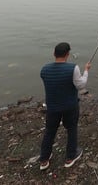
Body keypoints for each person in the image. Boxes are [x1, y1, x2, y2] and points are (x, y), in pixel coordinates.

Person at [38, 42, 91, 170]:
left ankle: (44, 160)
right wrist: (86, 71)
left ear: (54, 54)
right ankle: (70, 157)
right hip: (70, 106)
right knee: (72, 129)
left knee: (50, 131)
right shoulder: (73, 68)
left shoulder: (44, 69)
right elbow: (81, 85)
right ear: (67, 54)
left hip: (52, 107)